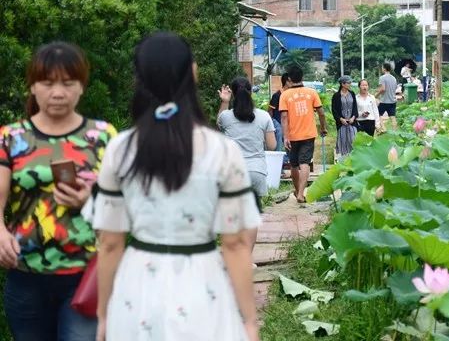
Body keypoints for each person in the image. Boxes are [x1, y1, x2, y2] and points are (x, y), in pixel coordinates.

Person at [92, 33, 260, 341]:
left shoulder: (120, 149)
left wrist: (104, 315)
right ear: (193, 74)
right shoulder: (221, 150)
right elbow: (235, 244)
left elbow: (110, 243)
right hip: (203, 288)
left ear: (139, 78)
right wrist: (249, 321)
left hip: (136, 291)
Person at [0, 42, 117, 341]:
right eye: (47, 82)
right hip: (25, 276)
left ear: (82, 86)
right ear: (33, 87)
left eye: (68, 83)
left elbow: (124, 205)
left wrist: (90, 200)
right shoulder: (10, 138)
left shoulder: (102, 136)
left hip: (85, 275)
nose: (58, 92)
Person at [217, 77, 276, 204]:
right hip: (256, 172)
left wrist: (224, 102)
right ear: (251, 92)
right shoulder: (264, 116)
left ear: (232, 93)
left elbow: (219, 122)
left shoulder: (226, 116)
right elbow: (272, 146)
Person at [279, 65, 328, 203]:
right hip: (308, 134)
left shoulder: (285, 95)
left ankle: (297, 191)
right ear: (303, 77)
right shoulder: (311, 93)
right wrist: (323, 127)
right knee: (305, 162)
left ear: (289, 79)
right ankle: (301, 193)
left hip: (292, 136)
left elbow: (283, 117)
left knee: (294, 165)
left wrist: (285, 136)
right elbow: (321, 113)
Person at [331, 76, 358, 159]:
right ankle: (344, 161)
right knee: (343, 141)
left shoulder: (352, 93)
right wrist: (341, 119)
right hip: (342, 123)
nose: (350, 84)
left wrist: (353, 117)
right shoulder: (336, 96)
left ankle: (354, 160)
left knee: (353, 140)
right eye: (348, 83)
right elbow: (334, 110)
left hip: (352, 122)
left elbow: (355, 107)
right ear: (342, 84)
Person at [268, 73, 290, 151]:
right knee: (280, 131)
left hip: (287, 122)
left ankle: (289, 158)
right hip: (277, 121)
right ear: (287, 82)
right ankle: (277, 154)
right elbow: (270, 110)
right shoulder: (277, 95)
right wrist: (271, 123)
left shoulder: (290, 95)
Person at [376, 62, 398, 130]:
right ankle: (395, 132)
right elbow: (395, 88)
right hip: (393, 101)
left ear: (384, 69)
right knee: (392, 117)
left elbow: (383, 89)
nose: (382, 69)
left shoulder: (382, 78)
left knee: (378, 114)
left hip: (384, 101)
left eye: (382, 67)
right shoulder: (394, 78)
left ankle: (383, 128)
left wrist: (376, 95)